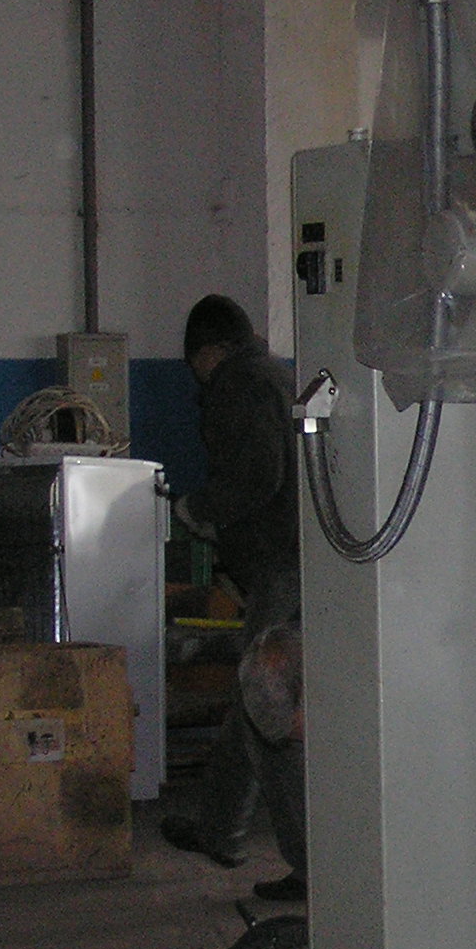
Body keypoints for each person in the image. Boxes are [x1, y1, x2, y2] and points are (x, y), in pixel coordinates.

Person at [158, 294, 308, 901]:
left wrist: (197, 509)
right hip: (307, 557)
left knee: (267, 707)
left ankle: (307, 864)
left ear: (209, 351)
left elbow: (256, 476)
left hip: (278, 566)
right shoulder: (279, 376)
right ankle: (220, 828)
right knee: (255, 699)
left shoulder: (236, 385)